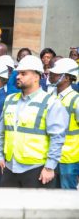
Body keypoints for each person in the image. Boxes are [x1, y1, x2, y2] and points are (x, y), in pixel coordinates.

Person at [0, 55, 69, 188]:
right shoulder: (10, 99)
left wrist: (50, 167)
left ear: (36, 77)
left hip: (37, 169)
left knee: (36, 208)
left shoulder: (50, 103)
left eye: (23, 73)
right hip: (10, 168)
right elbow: (1, 131)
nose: (18, 76)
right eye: (18, 73)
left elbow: (57, 138)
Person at [48, 58, 79, 189]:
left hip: (68, 158)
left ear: (66, 78)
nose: (51, 76)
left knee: (67, 197)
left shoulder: (76, 100)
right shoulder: (50, 96)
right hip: (51, 155)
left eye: (55, 74)